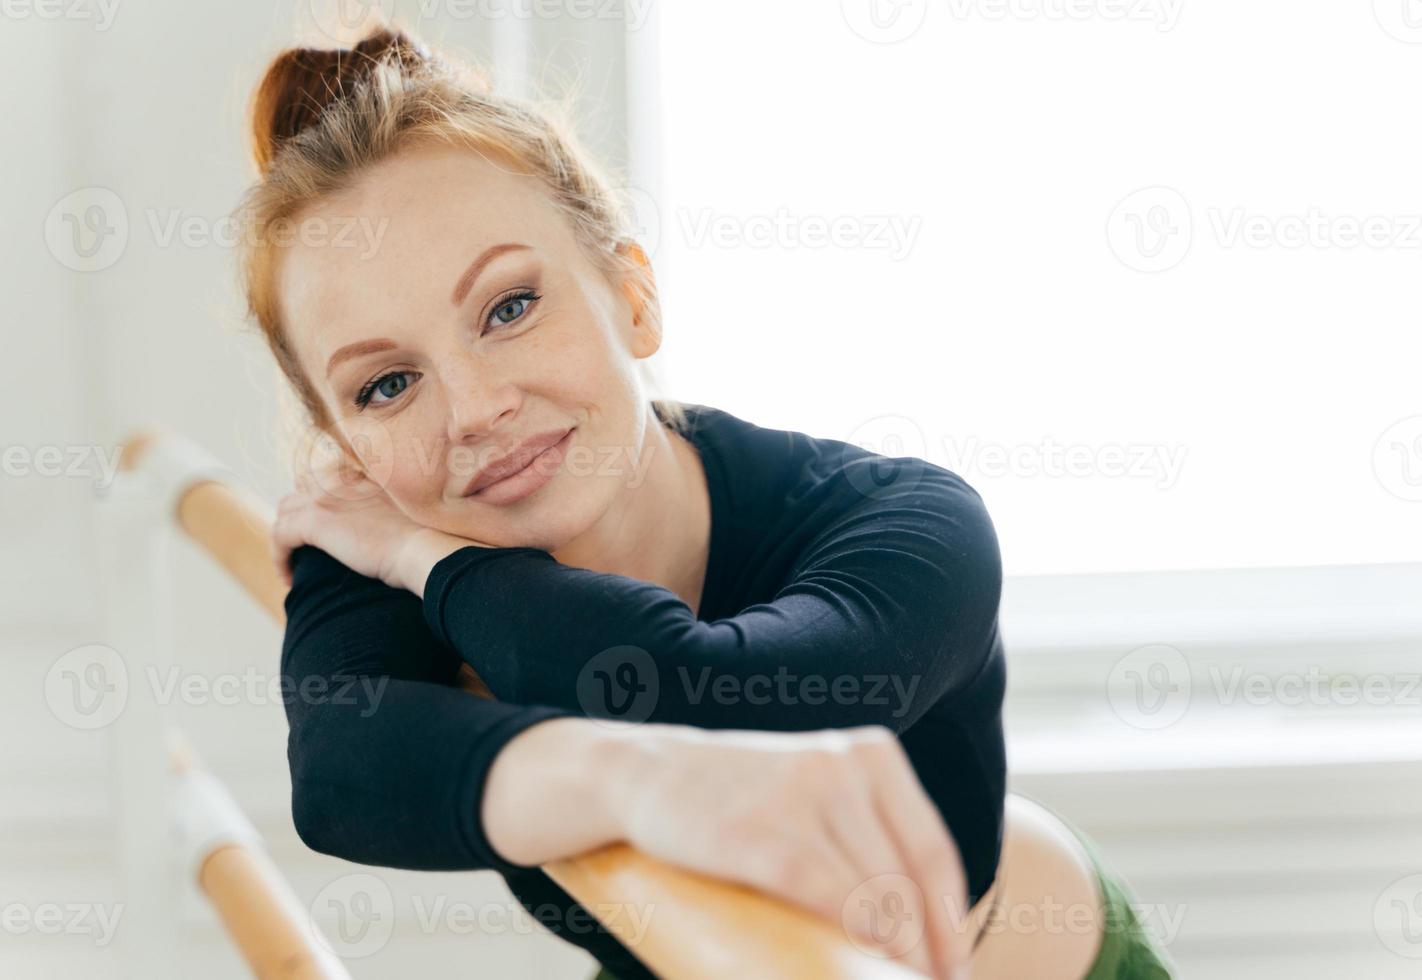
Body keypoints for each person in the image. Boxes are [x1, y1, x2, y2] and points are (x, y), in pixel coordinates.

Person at [239, 25, 1178, 980]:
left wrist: (434, 567)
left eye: (510, 307)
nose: (475, 411)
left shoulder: (908, 525)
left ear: (632, 297)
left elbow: (717, 703)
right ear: (343, 449)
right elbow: (337, 774)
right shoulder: (376, 519)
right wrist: (625, 780)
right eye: (386, 386)